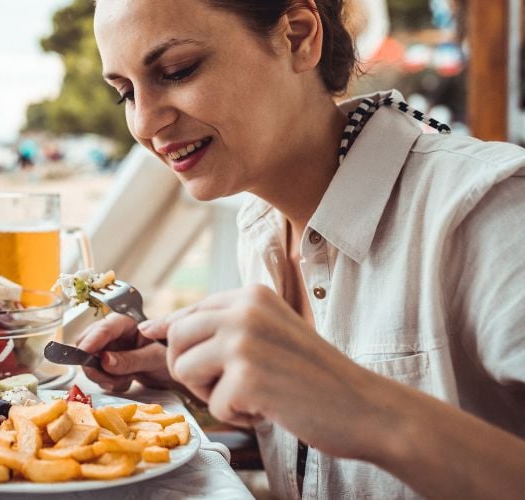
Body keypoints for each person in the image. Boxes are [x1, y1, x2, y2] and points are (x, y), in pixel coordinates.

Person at [81, 1, 525, 498]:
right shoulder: (261, 229)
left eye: (177, 70)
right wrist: (195, 370)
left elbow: (347, 410)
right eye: (124, 94)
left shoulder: (488, 208)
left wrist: (364, 408)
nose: (144, 123)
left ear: (297, 36)